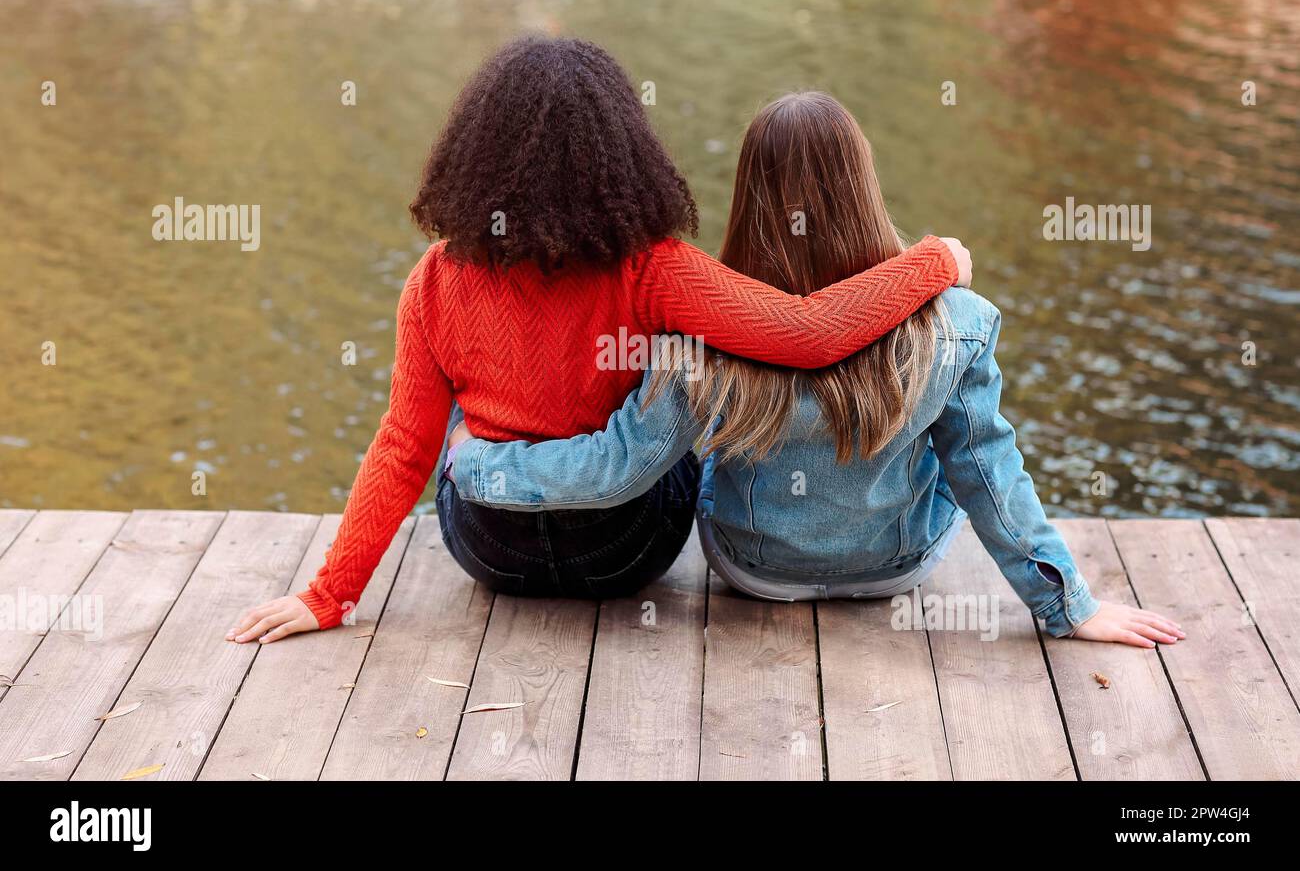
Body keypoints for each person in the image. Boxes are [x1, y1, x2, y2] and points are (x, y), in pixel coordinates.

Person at [227, 42, 969, 644]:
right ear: (621, 153)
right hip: (623, 552)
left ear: (474, 156)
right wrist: (938, 261)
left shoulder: (435, 280)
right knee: (680, 391)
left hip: (493, 550)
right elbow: (807, 333)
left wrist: (331, 593)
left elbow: (402, 447)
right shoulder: (654, 270)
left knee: (448, 419)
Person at [447, 91, 1183, 648]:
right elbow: (989, 475)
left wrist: (480, 466)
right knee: (967, 455)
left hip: (755, 571)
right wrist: (1070, 604)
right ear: (863, 185)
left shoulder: (700, 336)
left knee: (686, 456)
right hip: (898, 565)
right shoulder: (955, 324)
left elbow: (618, 468)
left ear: (748, 196)